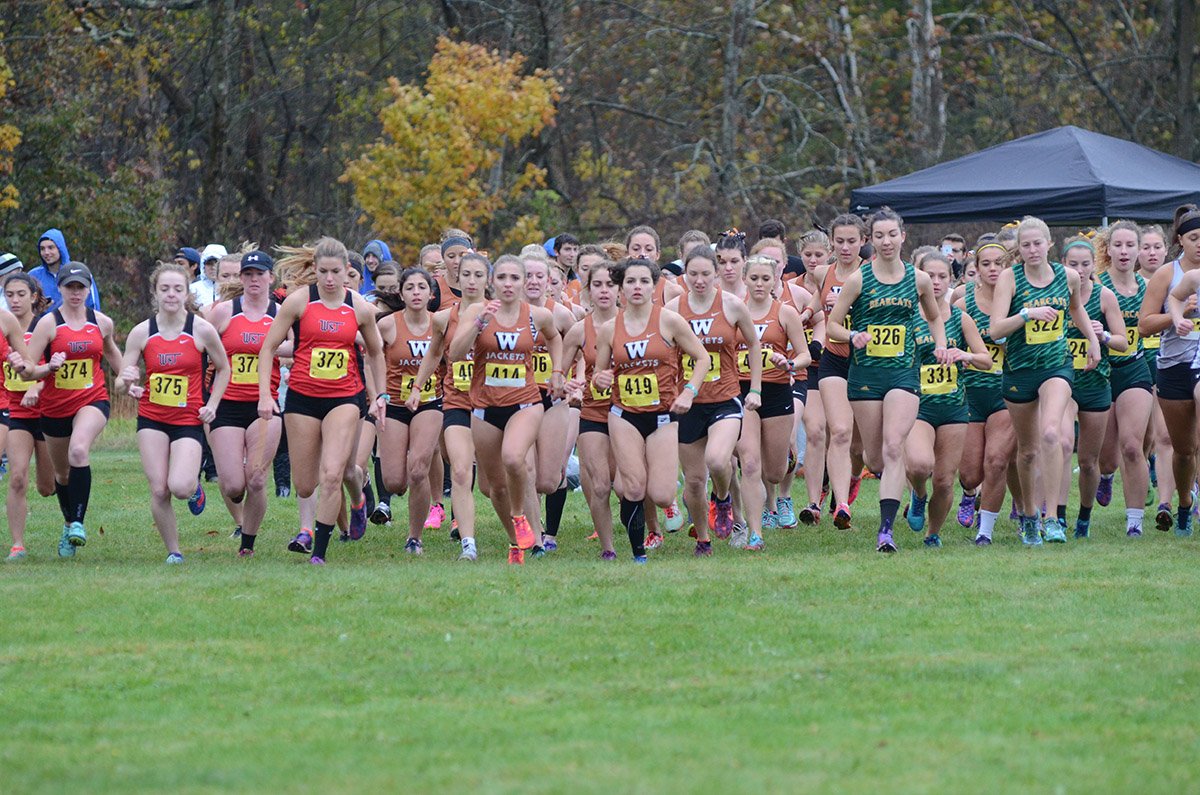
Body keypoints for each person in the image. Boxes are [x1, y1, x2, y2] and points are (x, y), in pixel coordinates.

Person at [257, 238, 388, 565]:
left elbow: (375, 351)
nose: (330, 279)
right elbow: (267, 347)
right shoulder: (298, 303)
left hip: (344, 397)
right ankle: (356, 501)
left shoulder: (358, 307)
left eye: (336, 272)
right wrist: (264, 393)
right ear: (314, 270)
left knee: (332, 474)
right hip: (302, 397)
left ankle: (321, 550)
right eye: (324, 272)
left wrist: (380, 395)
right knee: (305, 484)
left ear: (347, 271)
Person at [827, 207, 950, 552]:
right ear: (871, 240)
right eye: (879, 236)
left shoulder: (919, 279)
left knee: (895, 445)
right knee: (876, 458)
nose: (886, 242)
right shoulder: (859, 279)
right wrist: (853, 337)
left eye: (892, 235)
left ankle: (885, 532)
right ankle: (906, 491)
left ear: (902, 236)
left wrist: (940, 345)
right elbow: (833, 325)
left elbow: (935, 317)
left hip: (903, 372)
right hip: (866, 375)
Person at [988, 216, 1100, 545]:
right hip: (1020, 370)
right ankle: (1028, 514)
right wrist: (1026, 315)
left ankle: (1052, 518)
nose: (1033, 249)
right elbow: (995, 331)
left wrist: (1092, 341)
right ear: (1019, 250)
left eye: (1038, 243)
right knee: (1026, 451)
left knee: (1052, 432)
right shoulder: (1010, 278)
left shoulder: (1066, 276)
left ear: (1049, 244)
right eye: (1026, 245)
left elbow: (1076, 309)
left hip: (1057, 365)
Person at [449, 254, 564, 564]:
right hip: (485, 407)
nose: (509, 284)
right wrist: (478, 324)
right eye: (502, 278)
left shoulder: (536, 315)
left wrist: (557, 372)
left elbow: (554, 338)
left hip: (526, 402)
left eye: (515, 278)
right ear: (492, 282)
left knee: (514, 458)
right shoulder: (476, 310)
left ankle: (520, 518)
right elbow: (454, 355)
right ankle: (516, 543)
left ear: (524, 282)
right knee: (493, 487)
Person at [592, 258, 710, 560]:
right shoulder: (608, 329)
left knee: (660, 493)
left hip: (663, 416)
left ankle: (670, 500)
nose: (637, 287)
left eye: (644, 281)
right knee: (632, 488)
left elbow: (702, 358)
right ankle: (637, 555)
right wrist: (601, 379)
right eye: (630, 281)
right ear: (621, 287)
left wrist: (689, 391)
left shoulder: (669, 321)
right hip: (624, 414)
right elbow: (600, 376)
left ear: (654, 285)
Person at [115, 262, 230, 563]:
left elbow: (224, 368)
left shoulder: (201, 329)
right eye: (164, 289)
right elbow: (120, 380)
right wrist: (126, 383)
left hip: (188, 419)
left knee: (178, 486)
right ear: (155, 293)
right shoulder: (143, 332)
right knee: (159, 488)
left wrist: (213, 405)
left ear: (186, 292)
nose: (171, 294)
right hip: (152, 418)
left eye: (177, 289)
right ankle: (174, 551)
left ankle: (194, 490)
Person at [22, 262, 122, 557]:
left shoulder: (101, 322)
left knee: (79, 450)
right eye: (70, 287)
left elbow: (115, 357)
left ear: (89, 289)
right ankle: (68, 524)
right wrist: (47, 368)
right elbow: (28, 369)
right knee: (62, 475)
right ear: (61, 289)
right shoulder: (48, 324)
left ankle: (78, 523)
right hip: (54, 408)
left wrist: (129, 377)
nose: (76, 293)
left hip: (92, 400)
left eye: (81, 287)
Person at [666, 244, 762, 548]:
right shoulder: (672, 310)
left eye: (706, 273)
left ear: (717, 273)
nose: (699, 280)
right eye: (692, 274)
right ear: (684, 274)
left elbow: (754, 345)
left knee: (719, 461)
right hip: (686, 404)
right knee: (693, 482)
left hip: (725, 397)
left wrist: (756, 388)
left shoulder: (732, 305)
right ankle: (704, 540)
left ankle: (722, 500)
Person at [406, 252, 490, 560]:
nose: (471, 280)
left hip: (492, 404)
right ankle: (468, 542)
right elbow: (433, 354)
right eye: (466, 274)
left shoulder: (504, 314)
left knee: (494, 486)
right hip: (456, 401)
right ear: (457, 277)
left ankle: (519, 522)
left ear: (487, 280)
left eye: (478, 275)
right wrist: (417, 386)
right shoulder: (443, 318)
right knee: (460, 471)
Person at [904, 251, 991, 546]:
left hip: (954, 408)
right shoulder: (908, 315)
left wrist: (964, 354)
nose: (937, 282)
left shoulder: (961, 319)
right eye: (930, 276)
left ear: (952, 279)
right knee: (918, 465)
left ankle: (933, 534)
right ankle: (917, 494)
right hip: (918, 406)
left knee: (943, 480)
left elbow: (986, 360)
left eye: (943, 276)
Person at [204, 250, 287, 556]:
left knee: (256, 478)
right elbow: (200, 344)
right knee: (232, 486)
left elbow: (300, 345)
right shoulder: (223, 312)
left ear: (270, 278)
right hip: (226, 405)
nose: (254, 280)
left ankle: (247, 545)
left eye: (259, 274)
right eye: (248, 274)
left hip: (264, 404)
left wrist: (273, 348)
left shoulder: (281, 313)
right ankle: (239, 517)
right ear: (241, 278)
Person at [1053, 234, 1127, 537]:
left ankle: (1084, 515)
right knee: (1063, 444)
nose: (1080, 270)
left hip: (1096, 382)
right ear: (1063, 265)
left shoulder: (1104, 296)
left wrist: (1104, 335)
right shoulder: (1054, 293)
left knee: (1088, 461)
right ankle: (1057, 515)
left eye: (1085, 264)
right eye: (1074, 265)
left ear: (1094, 265)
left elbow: (1123, 342)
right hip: (1062, 379)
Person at [735, 254, 809, 549]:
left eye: (766, 278)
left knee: (774, 471)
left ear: (776, 279)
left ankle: (777, 495)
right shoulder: (734, 311)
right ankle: (755, 532)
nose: (760, 284)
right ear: (744, 280)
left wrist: (788, 363)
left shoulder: (785, 313)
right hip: (742, 391)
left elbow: (804, 355)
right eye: (754, 278)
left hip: (777, 390)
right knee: (750, 463)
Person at [806, 214, 869, 528]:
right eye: (839, 241)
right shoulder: (821, 273)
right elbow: (820, 308)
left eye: (851, 241)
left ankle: (854, 476)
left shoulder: (870, 274)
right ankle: (842, 506)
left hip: (868, 362)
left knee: (860, 446)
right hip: (834, 359)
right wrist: (807, 312)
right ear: (831, 242)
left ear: (863, 242)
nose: (845, 247)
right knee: (840, 432)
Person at [955, 239, 1019, 545]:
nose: (993, 269)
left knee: (996, 461)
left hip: (1005, 392)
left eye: (999, 263)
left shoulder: (1019, 301)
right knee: (970, 474)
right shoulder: (964, 300)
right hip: (969, 392)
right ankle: (969, 495)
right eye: (986, 264)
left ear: (1008, 267)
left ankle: (985, 529)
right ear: (976, 269)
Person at [379, 268, 443, 556]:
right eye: (410, 288)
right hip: (394, 404)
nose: (416, 292)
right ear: (401, 294)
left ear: (431, 294)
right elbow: (370, 357)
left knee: (419, 470)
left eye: (422, 287)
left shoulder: (441, 324)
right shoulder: (387, 326)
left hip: (430, 403)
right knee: (395, 482)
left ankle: (414, 537)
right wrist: (376, 393)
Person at [1095, 223, 1154, 536]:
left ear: (1140, 250)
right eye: (1118, 245)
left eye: (1131, 245)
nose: (1124, 251)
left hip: (1134, 369)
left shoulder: (1150, 287)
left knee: (1132, 446)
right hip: (1102, 374)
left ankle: (1135, 522)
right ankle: (1105, 478)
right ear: (1108, 250)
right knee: (1106, 459)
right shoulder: (1097, 286)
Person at [559, 260, 620, 559]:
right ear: (589, 290)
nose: (604, 290)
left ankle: (649, 528)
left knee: (628, 485)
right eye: (598, 285)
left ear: (620, 289)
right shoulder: (578, 330)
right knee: (599, 486)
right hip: (593, 413)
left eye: (610, 284)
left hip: (631, 414)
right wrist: (567, 384)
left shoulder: (636, 323)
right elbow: (559, 375)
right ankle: (608, 548)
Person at [3, 275, 55, 561]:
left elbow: (56, 369)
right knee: (17, 477)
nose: (15, 300)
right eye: (9, 294)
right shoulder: (4, 327)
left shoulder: (44, 326)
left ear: (34, 296)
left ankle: (71, 517)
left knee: (48, 486)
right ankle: (18, 544)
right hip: (15, 412)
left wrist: (36, 385)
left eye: (21, 294)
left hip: (46, 411)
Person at [1158, 204, 1200, 536]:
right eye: (1195, 238)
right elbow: (1145, 324)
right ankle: (1184, 501)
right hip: (1173, 364)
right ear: (1181, 241)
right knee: (1184, 450)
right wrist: (1177, 318)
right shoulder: (1181, 276)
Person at [1136, 224, 1174, 529]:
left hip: (1170, 363)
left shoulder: (1177, 280)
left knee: (1167, 435)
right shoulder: (1131, 285)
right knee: (1146, 437)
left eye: (1156, 247)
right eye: (1145, 247)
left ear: (1166, 249)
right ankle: (1147, 469)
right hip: (1139, 365)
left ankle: (1174, 497)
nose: (1151, 253)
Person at [30, 229, 101, 311]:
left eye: (51, 248)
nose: (46, 252)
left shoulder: (79, 272)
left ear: (60, 248)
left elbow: (94, 306)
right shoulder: (33, 276)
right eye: (42, 249)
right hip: (44, 323)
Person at [190, 244, 227, 310]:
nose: (213, 267)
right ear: (203, 266)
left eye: (216, 263)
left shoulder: (232, 289)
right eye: (209, 264)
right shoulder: (193, 289)